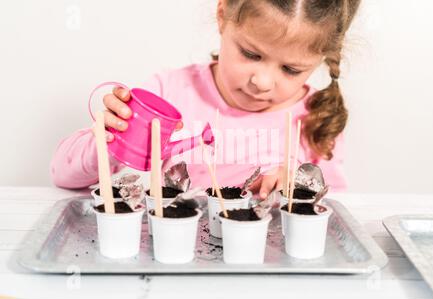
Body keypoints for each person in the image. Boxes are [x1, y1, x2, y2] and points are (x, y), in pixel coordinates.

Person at [51, 0, 361, 199]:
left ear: (323, 58)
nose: (262, 82)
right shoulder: (169, 92)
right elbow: (64, 177)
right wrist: (110, 141)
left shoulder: (318, 117)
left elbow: (335, 211)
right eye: (251, 54)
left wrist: (302, 188)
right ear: (223, 15)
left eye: (291, 69)